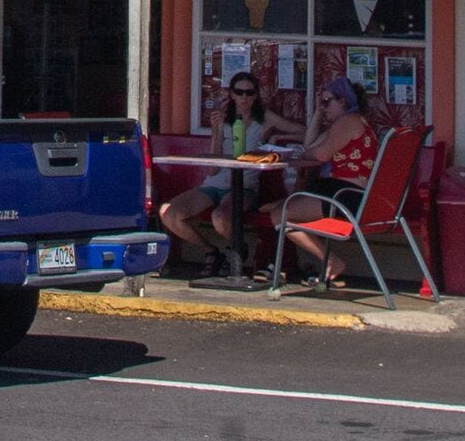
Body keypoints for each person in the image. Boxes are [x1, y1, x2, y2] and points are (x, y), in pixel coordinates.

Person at [274, 77, 380, 292]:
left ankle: (330, 260)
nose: (324, 106)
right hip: (352, 195)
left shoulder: (347, 122)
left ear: (343, 102)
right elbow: (310, 144)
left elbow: (319, 154)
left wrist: (307, 153)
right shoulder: (351, 123)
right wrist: (317, 113)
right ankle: (328, 260)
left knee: (279, 213)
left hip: (345, 196)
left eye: (327, 101)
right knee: (280, 208)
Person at [160, 73, 271, 276]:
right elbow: (212, 169)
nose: (244, 97)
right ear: (232, 95)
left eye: (249, 92)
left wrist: (282, 137)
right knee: (168, 213)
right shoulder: (225, 121)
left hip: (244, 185)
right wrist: (217, 131)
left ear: (256, 95)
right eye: (239, 92)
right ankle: (211, 251)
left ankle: (238, 250)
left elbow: (299, 130)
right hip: (214, 184)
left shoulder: (264, 121)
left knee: (220, 217)